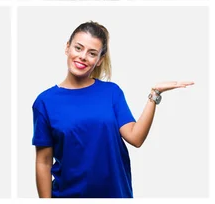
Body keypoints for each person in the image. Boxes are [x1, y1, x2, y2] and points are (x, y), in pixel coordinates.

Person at [32, 21, 193, 198]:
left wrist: (154, 94)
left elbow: (136, 137)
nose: (83, 56)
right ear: (67, 48)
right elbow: (43, 162)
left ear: (100, 60)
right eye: (78, 48)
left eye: (92, 53)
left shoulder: (111, 92)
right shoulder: (45, 101)